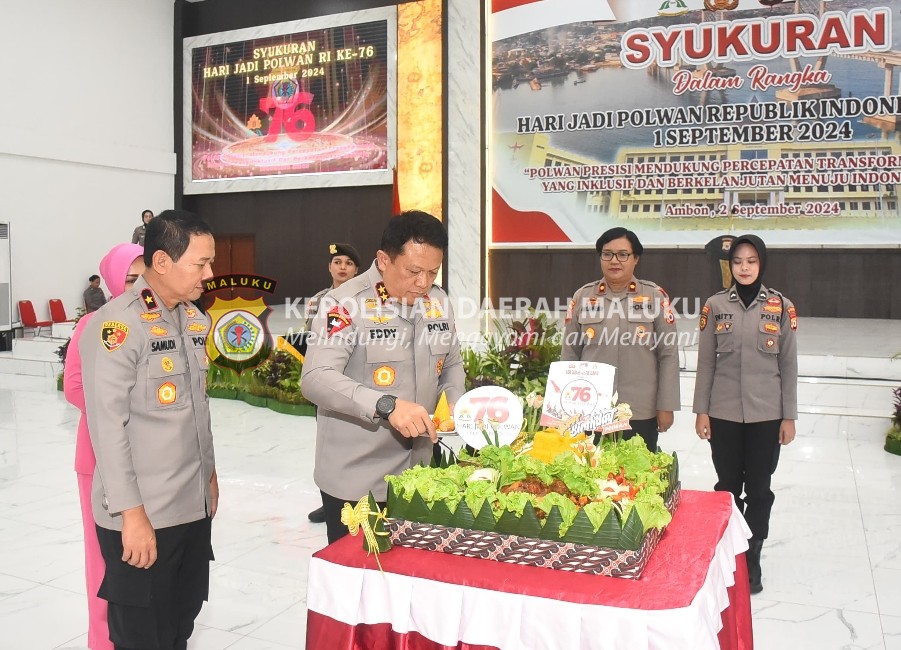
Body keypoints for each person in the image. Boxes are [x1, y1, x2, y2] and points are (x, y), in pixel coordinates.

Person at [80, 210, 218, 649]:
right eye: (200, 264)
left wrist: (208, 476)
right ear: (162, 262)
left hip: (190, 508)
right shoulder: (118, 325)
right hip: (143, 515)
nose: (209, 274)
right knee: (142, 635)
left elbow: (198, 409)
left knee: (181, 621)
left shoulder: (194, 320)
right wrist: (131, 515)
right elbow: (107, 425)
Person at [301, 210, 465, 544]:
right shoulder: (345, 304)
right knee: (358, 589)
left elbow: (450, 363)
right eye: (414, 271)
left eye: (433, 272)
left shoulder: (438, 300)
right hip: (358, 482)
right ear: (383, 260)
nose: (424, 283)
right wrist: (386, 404)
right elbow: (316, 377)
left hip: (419, 476)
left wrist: (456, 406)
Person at [693, 233, 798, 595]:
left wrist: (789, 416)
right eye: (738, 261)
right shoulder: (715, 305)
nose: (744, 267)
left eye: (751, 261)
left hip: (767, 415)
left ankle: (752, 555)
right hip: (722, 414)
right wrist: (701, 411)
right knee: (726, 488)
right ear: (730, 265)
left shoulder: (781, 307)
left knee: (759, 489)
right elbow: (705, 363)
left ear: (761, 263)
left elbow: (788, 365)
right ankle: (727, 553)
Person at [65, 244, 145, 650]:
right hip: (98, 458)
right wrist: (122, 417)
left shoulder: (156, 321)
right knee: (103, 561)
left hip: (149, 459)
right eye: (130, 279)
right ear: (114, 281)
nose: (138, 287)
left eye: (144, 277)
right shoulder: (95, 323)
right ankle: (103, 642)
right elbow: (74, 387)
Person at [560, 227, 680, 451]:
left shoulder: (655, 296)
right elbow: (569, 355)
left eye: (623, 254)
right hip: (591, 409)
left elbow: (669, 355)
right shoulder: (583, 296)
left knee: (639, 477)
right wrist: (565, 408)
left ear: (635, 259)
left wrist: (666, 406)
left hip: (640, 409)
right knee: (592, 475)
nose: (615, 260)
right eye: (607, 254)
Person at [304, 242, 362, 524]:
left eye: (349, 263)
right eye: (338, 262)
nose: (342, 267)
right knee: (327, 446)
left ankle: (359, 502)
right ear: (329, 267)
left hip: (358, 386)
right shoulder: (317, 301)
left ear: (357, 270)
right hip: (328, 386)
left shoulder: (368, 300)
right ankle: (330, 503)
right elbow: (311, 342)